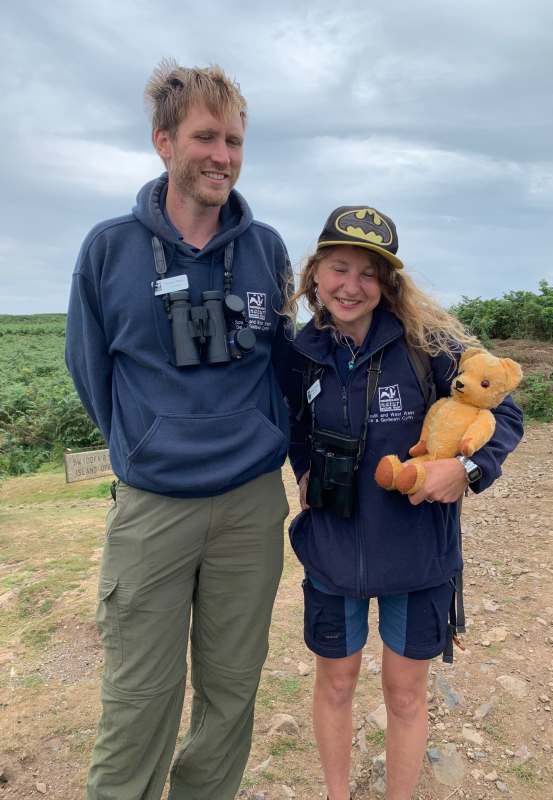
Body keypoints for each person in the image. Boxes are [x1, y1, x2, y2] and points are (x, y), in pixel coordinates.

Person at [65, 60, 292, 800]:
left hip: (250, 506)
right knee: (139, 698)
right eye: (205, 136)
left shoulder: (266, 250)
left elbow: (283, 364)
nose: (222, 155)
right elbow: (91, 371)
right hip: (153, 508)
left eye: (232, 139)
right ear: (163, 142)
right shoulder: (109, 250)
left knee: (231, 693)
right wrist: (145, 444)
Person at [284, 206, 523, 800]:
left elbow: (507, 411)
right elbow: (290, 427)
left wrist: (466, 469)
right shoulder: (298, 352)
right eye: (339, 268)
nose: (351, 286)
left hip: (418, 554)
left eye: (369, 274)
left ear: (388, 282)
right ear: (315, 273)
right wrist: (304, 472)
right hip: (332, 551)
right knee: (336, 683)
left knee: (406, 691)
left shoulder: (431, 345)